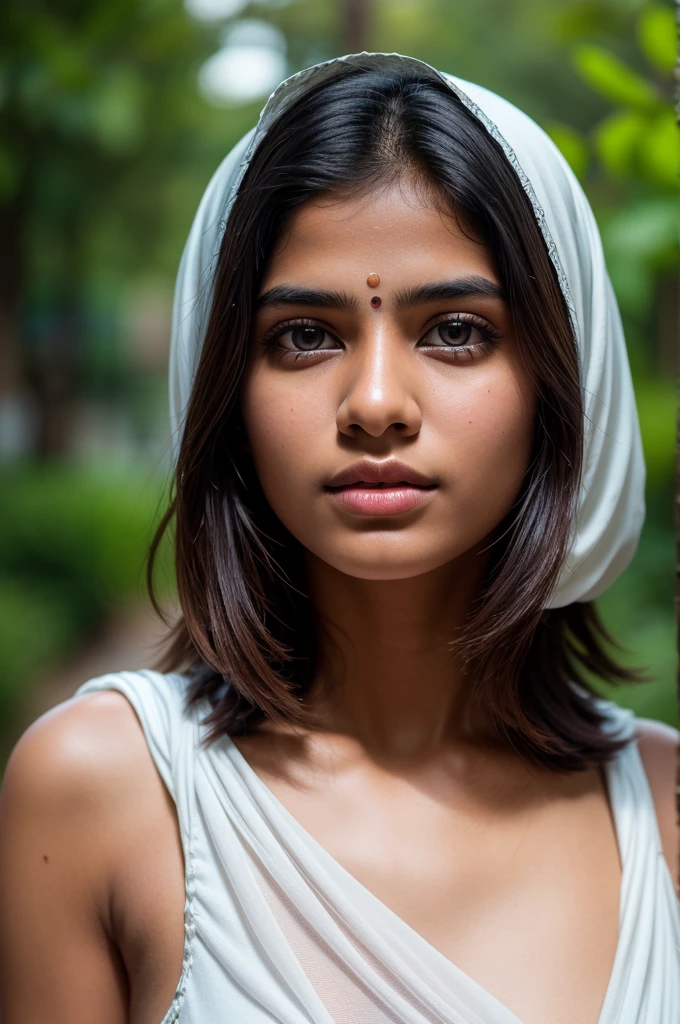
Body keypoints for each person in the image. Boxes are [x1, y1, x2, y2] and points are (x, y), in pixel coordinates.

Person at [0, 53, 678, 1024]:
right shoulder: (104, 794)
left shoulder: (661, 814)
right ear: (224, 392)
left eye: (453, 330)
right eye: (302, 337)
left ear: (561, 386)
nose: (372, 405)